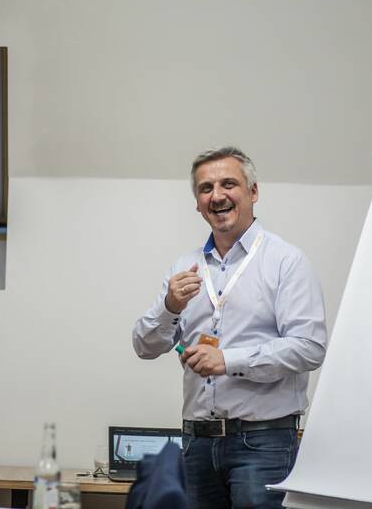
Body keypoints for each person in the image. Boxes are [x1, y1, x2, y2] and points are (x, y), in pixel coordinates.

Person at [132, 146, 327, 509]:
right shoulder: (184, 267)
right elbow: (144, 345)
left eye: (228, 184)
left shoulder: (285, 261)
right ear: (197, 203)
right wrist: (169, 306)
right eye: (205, 188)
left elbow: (309, 347)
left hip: (263, 443)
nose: (217, 196)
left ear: (253, 192)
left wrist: (227, 360)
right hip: (196, 444)